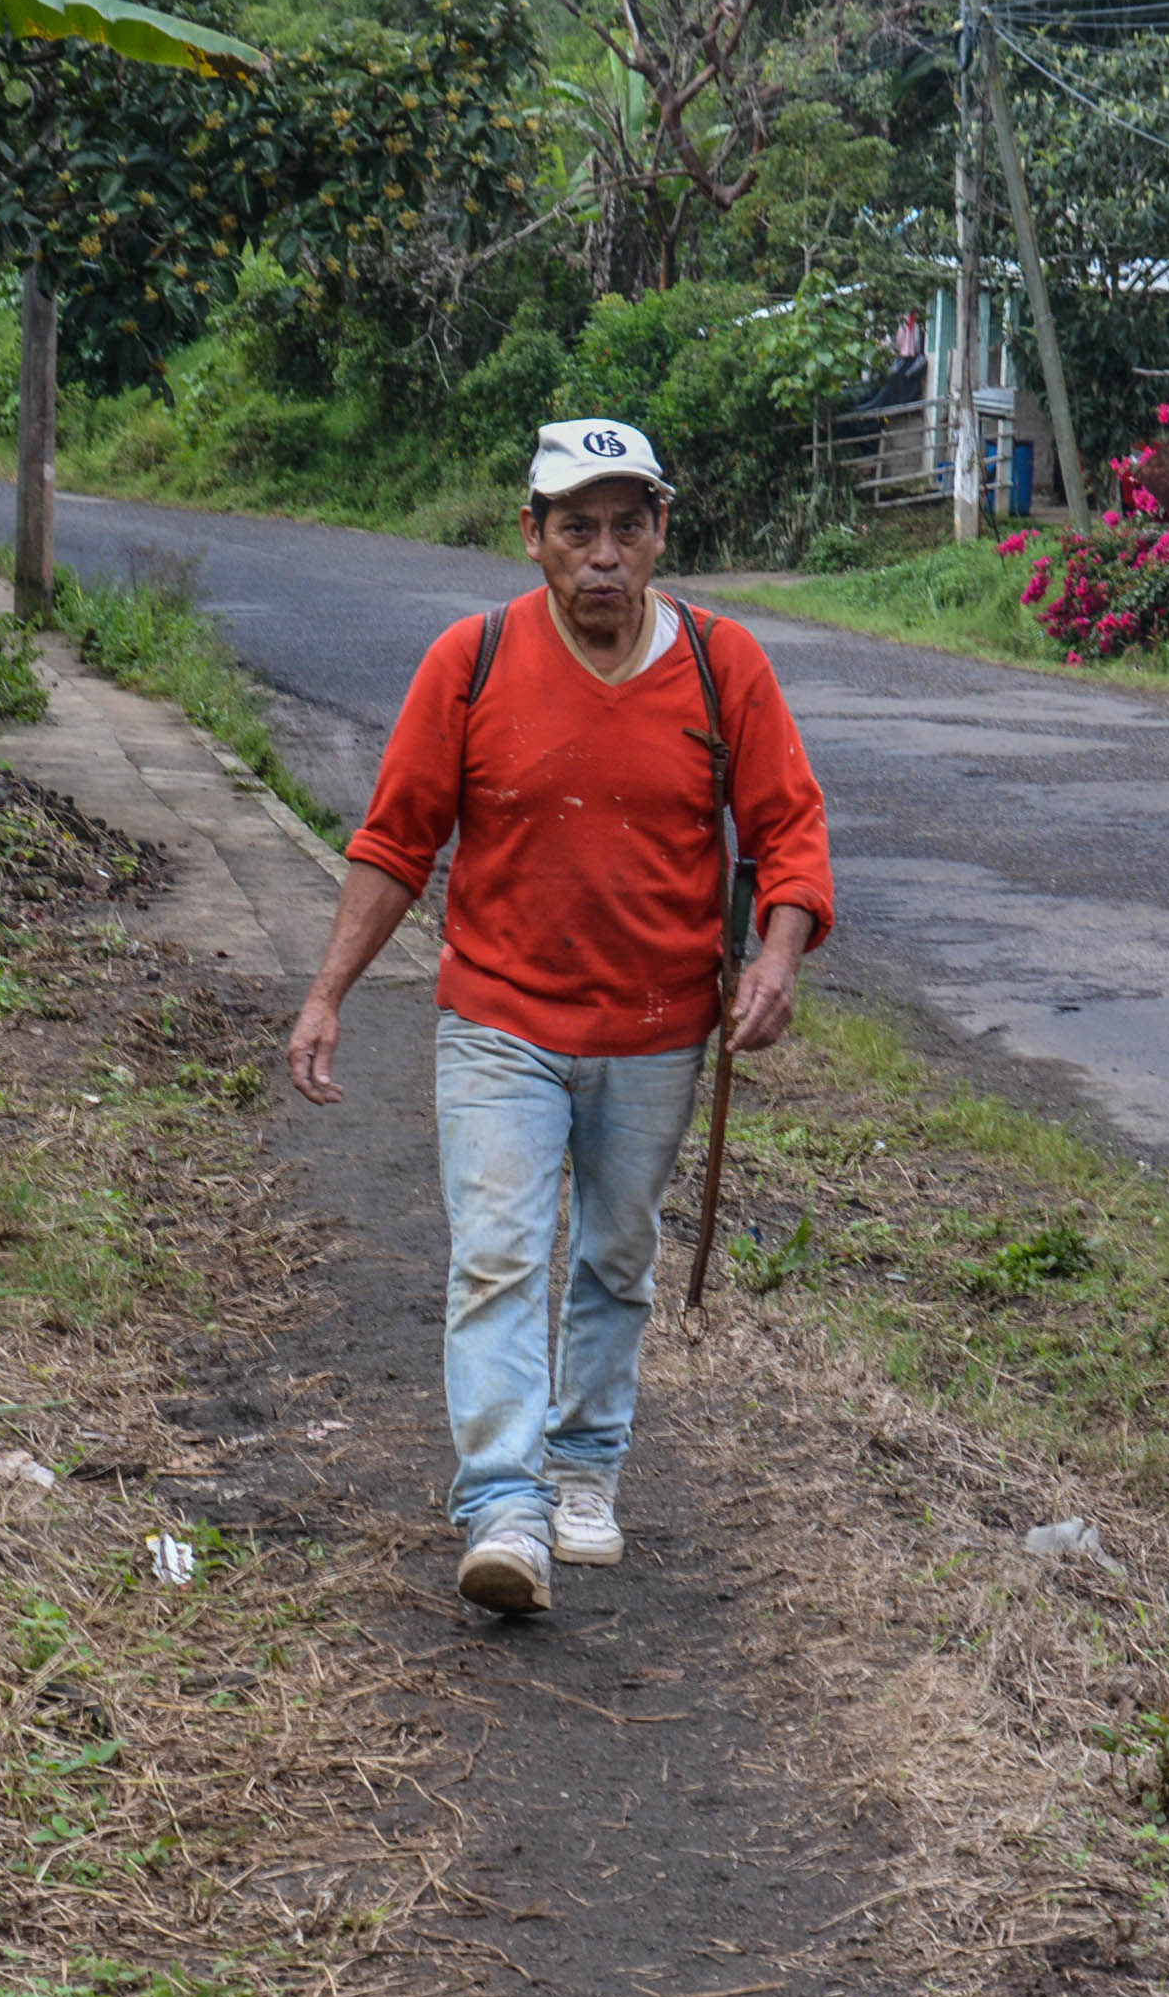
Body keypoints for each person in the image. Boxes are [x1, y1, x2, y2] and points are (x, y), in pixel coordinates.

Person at [284, 418, 835, 1616]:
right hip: (501, 1018)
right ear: (530, 538)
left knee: (612, 1255)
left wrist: (778, 954)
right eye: (575, 527)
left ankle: (583, 1469)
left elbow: (787, 826)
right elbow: (395, 840)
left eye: (626, 527)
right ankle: (502, 1506)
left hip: (652, 1029)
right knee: (496, 1256)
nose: (603, 553)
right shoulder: (470, 662)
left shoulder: (720, 662)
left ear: (659, 536)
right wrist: (326, 991)